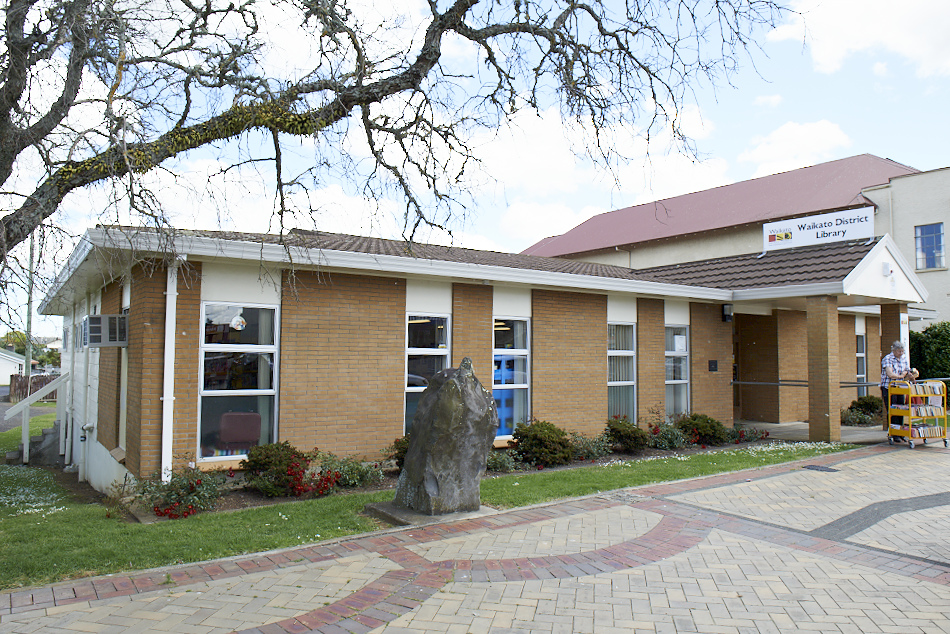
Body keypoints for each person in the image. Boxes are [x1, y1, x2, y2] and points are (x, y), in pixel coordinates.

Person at [880, 340, 919, 438]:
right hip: (889, 387)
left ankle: (901, 432)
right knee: (892, 410)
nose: (901, 353)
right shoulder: (888, 358)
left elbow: (907, 370)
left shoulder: (903, 358)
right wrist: (901, 376)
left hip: (900, 387)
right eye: (899, 351)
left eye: (902, 351)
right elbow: (890, 373)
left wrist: (909, 374)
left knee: (901, 409)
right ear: (894, 350)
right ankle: (894, 433)